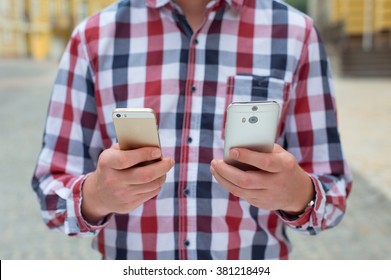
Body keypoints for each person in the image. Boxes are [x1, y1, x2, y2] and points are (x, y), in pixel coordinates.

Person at [32, 0, 352, 260]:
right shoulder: (92, 38)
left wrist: (299, 194)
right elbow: (51, 188)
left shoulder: (296, 33)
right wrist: (95, 196)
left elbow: (332, 190)